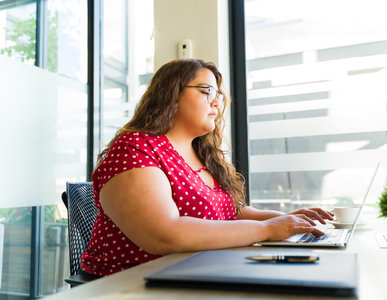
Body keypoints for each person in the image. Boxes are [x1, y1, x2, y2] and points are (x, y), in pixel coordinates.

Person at [79, 58, 334, 277]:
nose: (216, 103)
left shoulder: (202, 154)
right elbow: (162, 234)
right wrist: (267, 229)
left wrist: (288, 220)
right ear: (171, 93)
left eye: (217, 96)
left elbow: (231, 214)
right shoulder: (135, 147)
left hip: (194, 273)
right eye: (206, 91)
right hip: (130, 284)